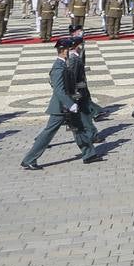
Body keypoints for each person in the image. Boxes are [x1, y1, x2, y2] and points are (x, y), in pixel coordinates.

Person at [21, 38, 102, 170]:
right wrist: (70, 103)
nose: (70, 52)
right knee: (49, 133)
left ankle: (89, 154)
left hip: (67, 105)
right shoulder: (58, 67)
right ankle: (29, 159)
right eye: (68, 50)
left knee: (79, 129)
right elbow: (58, 90)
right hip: (60, 108)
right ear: (64, 51)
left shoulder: (64, 64)